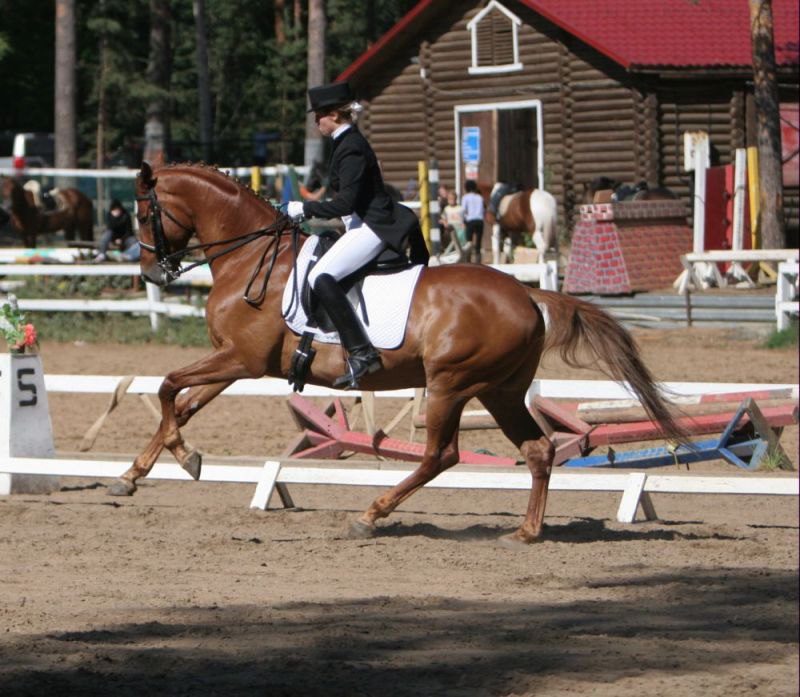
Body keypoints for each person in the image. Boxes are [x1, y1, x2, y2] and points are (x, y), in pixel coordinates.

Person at [286, 81, 429, 390]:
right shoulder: (343, 142)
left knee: (321, 277)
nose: (316, 122)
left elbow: (345, 203)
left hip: (373, 225)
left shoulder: (351, 146)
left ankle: (362, 352)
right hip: (359, 222)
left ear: (334, 115)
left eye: (319, 116)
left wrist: (304, 209)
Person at [462, 179, 485, 264]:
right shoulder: (480, 197)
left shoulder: (466, 197)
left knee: (469, 242)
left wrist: (463, 220)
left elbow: (463, 210)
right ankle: (478, 261)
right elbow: (483, 209)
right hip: (479, 220)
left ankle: (468, 261)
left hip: (470, 221)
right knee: (478, 241)